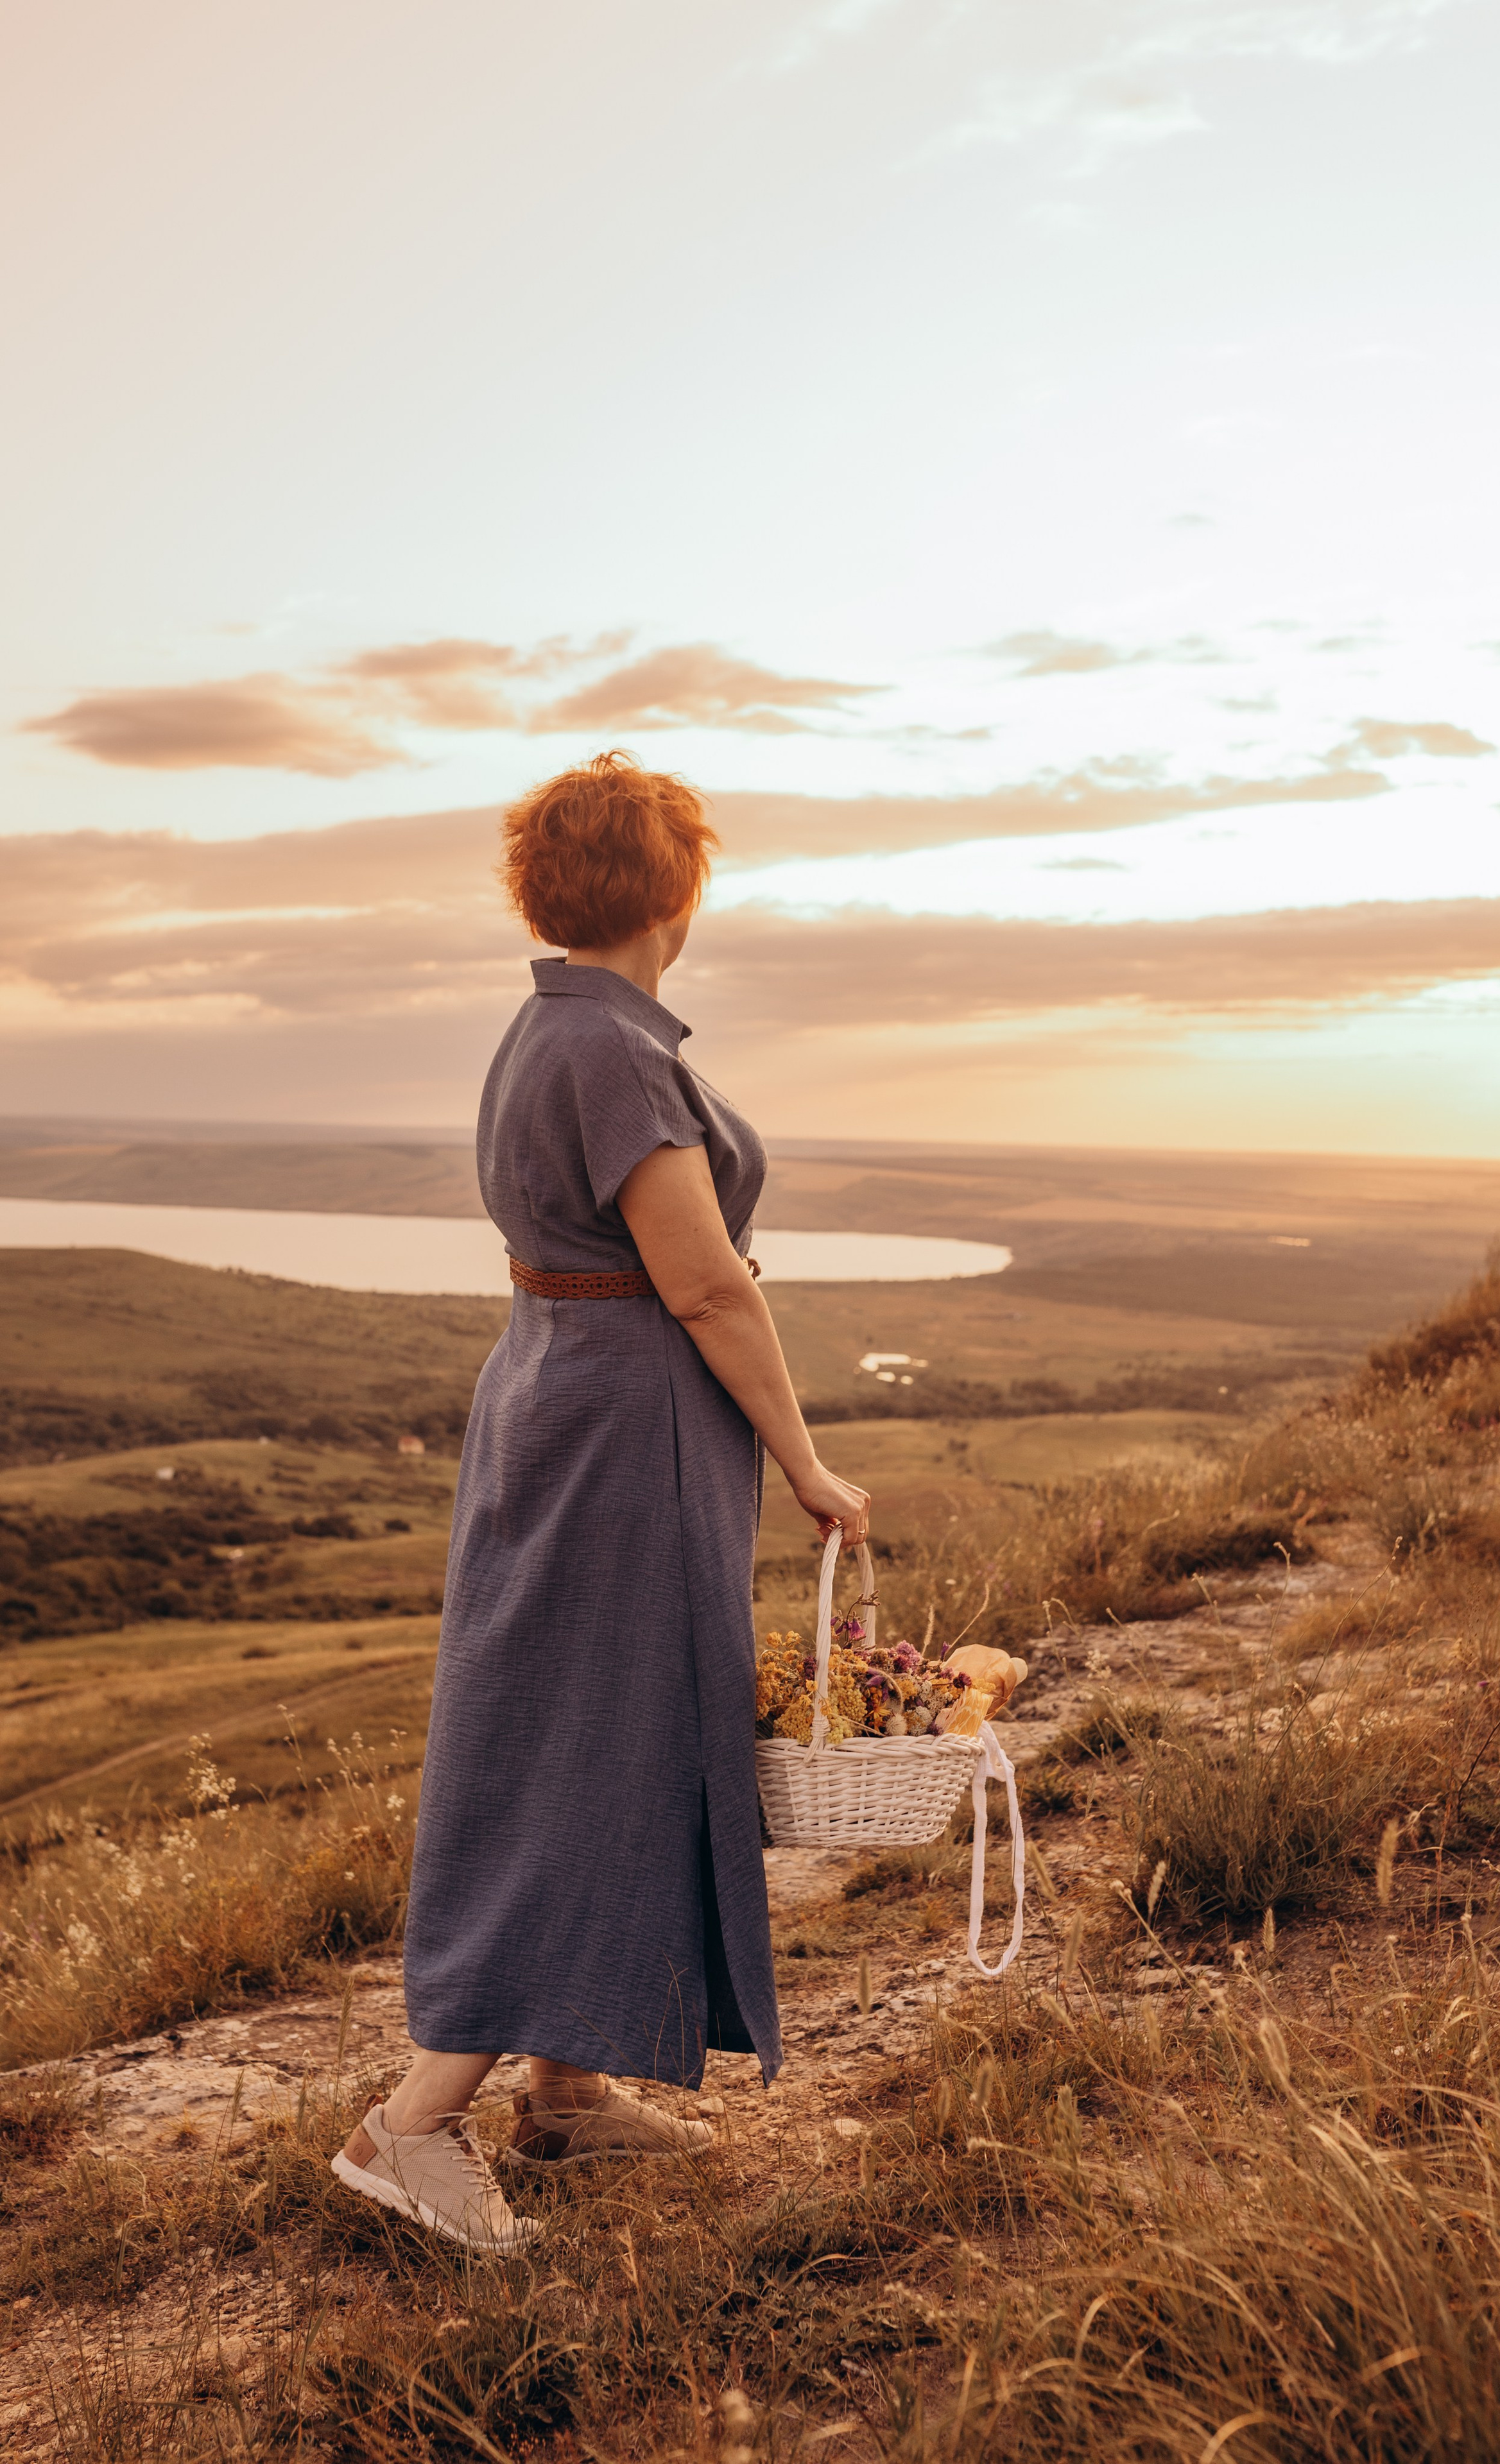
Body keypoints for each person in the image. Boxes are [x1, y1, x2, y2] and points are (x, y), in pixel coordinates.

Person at [331, 751, 869, 2247]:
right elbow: (703, 1284)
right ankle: (409, 2126)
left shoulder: (549, 1031)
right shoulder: (616, 1052)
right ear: (676, 895)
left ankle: (562, 2090)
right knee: (587, 1748)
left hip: (562, 1401)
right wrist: (805, 1462)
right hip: (622, 1432)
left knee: (593, 1732)